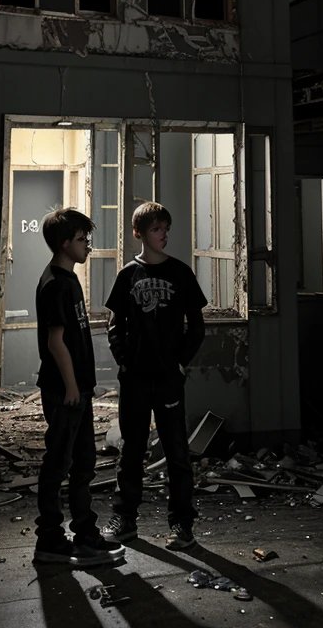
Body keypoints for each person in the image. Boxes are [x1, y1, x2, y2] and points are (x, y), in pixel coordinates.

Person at [102, 201, 208, 550]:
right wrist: (124, 361)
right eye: (156, 229)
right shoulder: (127, 275)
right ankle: (125, 519)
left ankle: (181, 525)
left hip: (167, 377)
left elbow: (197, 327)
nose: (164, 234)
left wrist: (180, 362)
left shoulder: (180, 273)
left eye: (166, 228)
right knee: (131, 451)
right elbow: (114, 325)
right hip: (134, 379)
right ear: (139, 234)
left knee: (177, 451)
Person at [33, 207, 125, 566]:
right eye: (82, 239)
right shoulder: (55, 282)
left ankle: (85, 534)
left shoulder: (69, 280)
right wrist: (72, 387)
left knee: (83, 464)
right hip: (64, 390)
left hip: (78, 390)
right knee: (58, 465)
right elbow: (56, 342)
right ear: (64, 243)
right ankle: (50, 540)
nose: (88, 245)